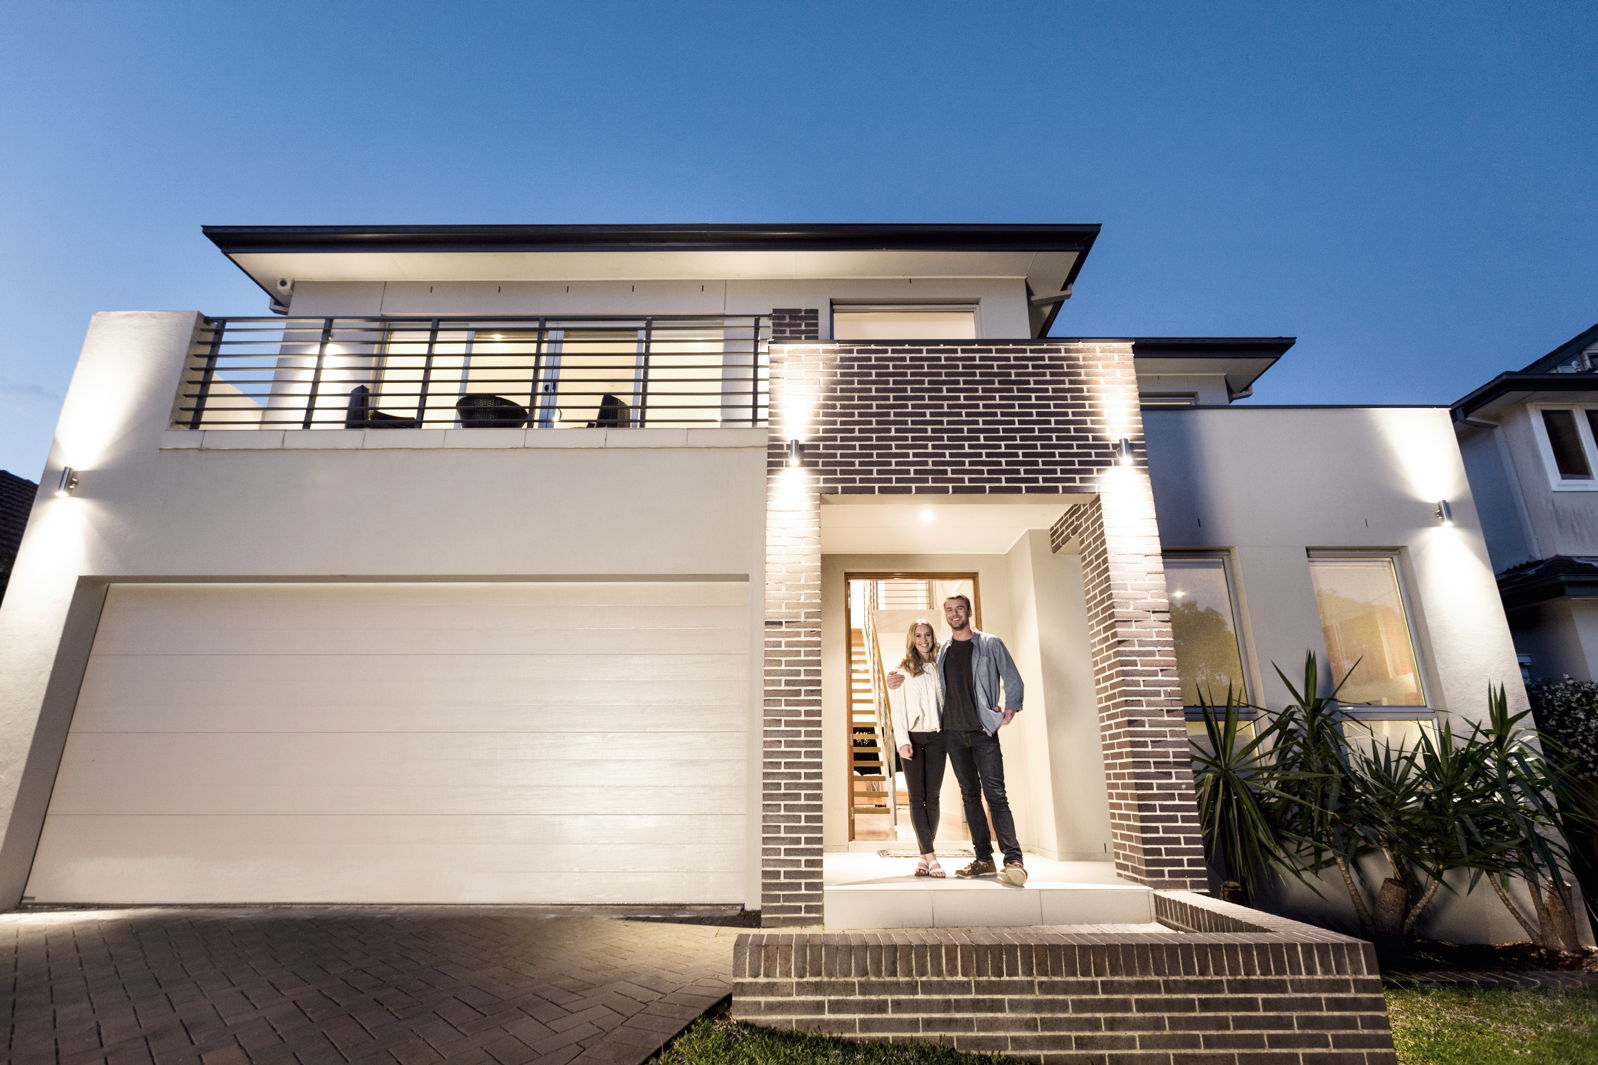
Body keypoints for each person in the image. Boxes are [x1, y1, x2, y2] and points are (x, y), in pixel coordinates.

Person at [888, 594, 1026, 886]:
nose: (954, 614)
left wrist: (1010, 704)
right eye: (949, 610)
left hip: (981, 733)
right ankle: (983, 859)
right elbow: (915, 683)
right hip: (951, 734)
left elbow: (1011, 676)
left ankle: (1013, 859)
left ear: (969, 611)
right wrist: (894, 679)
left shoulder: (989, 643)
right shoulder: (944, 652)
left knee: (996, 796)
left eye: (959, 608)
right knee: (969, 797)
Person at [886, 620, 946, 877]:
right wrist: (902, 742)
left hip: (938, 737)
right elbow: (897, 711)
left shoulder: (941, 666)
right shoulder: (901, 671)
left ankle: (923, 857)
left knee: (932, 797)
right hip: (912, 737)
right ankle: (931, 856)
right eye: (918, 636)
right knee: (915, 797)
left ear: (933, 638)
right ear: (912, 639)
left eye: (928, 635)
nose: (924, 640)